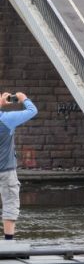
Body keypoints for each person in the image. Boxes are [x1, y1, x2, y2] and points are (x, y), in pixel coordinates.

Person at [0, 92, 37, 240]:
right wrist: (23, 99)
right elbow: (32, 111)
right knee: (10, 204)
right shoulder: (6, 119)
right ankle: (8, 244)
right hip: (6, 171)